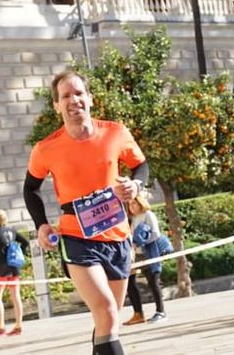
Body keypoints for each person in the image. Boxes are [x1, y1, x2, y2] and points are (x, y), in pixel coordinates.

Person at [25, 68, 150, 355]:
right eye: (65, 96)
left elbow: (140, 165)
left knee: (109, 321)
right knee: (105, 309)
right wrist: (41, 225)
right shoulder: (46, 148)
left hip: (118, 235)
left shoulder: (115, 132)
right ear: (57, 105)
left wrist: (136, 184)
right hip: (76, 237)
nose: (73, 100)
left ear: (90, 98)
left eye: (79, 93)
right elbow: (30, 189)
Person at [124, 191, 168, 324]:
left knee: (153, 281)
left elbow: (156, 234)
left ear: (140, 202)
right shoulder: (131, 218)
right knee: (130, 281)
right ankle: (138, 313)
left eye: (133, 203)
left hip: (150, 252)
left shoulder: (148, 215)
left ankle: (161, 311)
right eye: (129, 204)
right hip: (135, 254)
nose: (131, 207)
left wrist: (141, 241)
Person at [0, 209, 28, 339]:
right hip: (14, 267)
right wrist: (20, 251)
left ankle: (0, 326)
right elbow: (25, 242)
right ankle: (18, 325)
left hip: (2, 268)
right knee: (16, 297)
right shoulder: (12, 230)